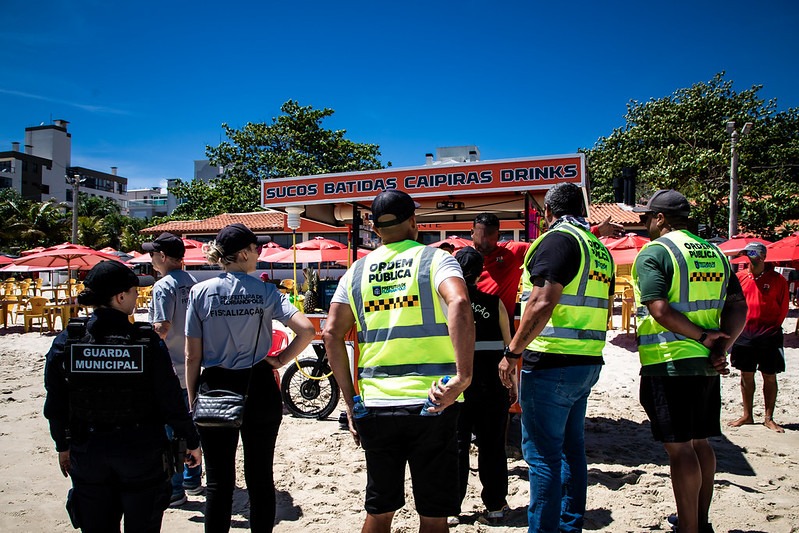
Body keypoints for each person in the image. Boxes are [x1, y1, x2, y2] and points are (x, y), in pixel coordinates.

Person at [322, 189, 474, 533]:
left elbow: (331, 333)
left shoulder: (357, 271)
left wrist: (350, 402)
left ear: (375, 229)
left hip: (376, 404)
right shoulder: (435, 260)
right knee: (434, 515)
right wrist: (463, 377)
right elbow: (460, 304)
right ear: (413, 222)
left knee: (379, 509)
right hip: (433, 400)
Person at [43, 260, 201, 532]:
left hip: (89, 450)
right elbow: (170, 399)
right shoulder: (144, 342)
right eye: (133, 291)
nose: (136, 295)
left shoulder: (68, 341)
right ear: (119, 297)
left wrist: (62, 445)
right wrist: (190, 439)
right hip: (140, 452)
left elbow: (55, 401)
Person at [498, 183, 614, 533]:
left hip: (551, 363)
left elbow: (541, 301)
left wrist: (513, 351)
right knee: (571, 450)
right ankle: (569, 525)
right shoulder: (598, 248)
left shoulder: (558, 240)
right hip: (587, 360)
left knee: (542, 457)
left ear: (547, 212)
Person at [185, 223, 315, 532]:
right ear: (243, 253)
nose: (259, 254)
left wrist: (193, 398)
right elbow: (307, 329)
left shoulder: (200, 292)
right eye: (257, 249)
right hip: (257, 385)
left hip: (215, 386)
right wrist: (281, 359)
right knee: (260, 477)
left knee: (218, 482)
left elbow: (192, 355)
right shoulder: (266, 291)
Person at [631, 189, 747, 533]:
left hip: (670, 361)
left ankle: (689, 529)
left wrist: (701, 337)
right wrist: (721, 345)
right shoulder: (715, 253)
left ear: (662, 218)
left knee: (679, 448)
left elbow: (659, 308)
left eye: (647, 217)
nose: (645, 223)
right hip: (706, 364)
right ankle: (699, 520)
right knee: (701, 441)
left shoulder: (656, 251)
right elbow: (738, 306)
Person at [453, 246, 514, 524]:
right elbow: (509, 346)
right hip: (492, 384)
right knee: (492, 447)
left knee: (455, 446)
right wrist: (512, 384)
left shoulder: (448, 305)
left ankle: (451, 508)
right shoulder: (494, 302)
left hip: (457, 387)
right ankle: (495, 506)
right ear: (481, 273)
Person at [143, 232, 202, 505]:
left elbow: (162, 327)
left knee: (171, 430)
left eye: (153, 254)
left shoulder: (163, 286)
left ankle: (175, 489)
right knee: (193, 426)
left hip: (171, 370)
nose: (151, 259)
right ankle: (193, 480)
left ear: (163, 257)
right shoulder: (195, 283)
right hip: (196, 367)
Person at [728, 242, 789, 433]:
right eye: (748, 253)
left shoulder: (778, 280)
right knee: (746, 374)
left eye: (753, 253)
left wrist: (772, 328)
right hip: (744, 334)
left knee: (769, 376)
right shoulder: (739, 277)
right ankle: (747, 415)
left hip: (769, 334)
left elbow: (783, 308)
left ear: (763, 256)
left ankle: (768, 417)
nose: (749, 256)